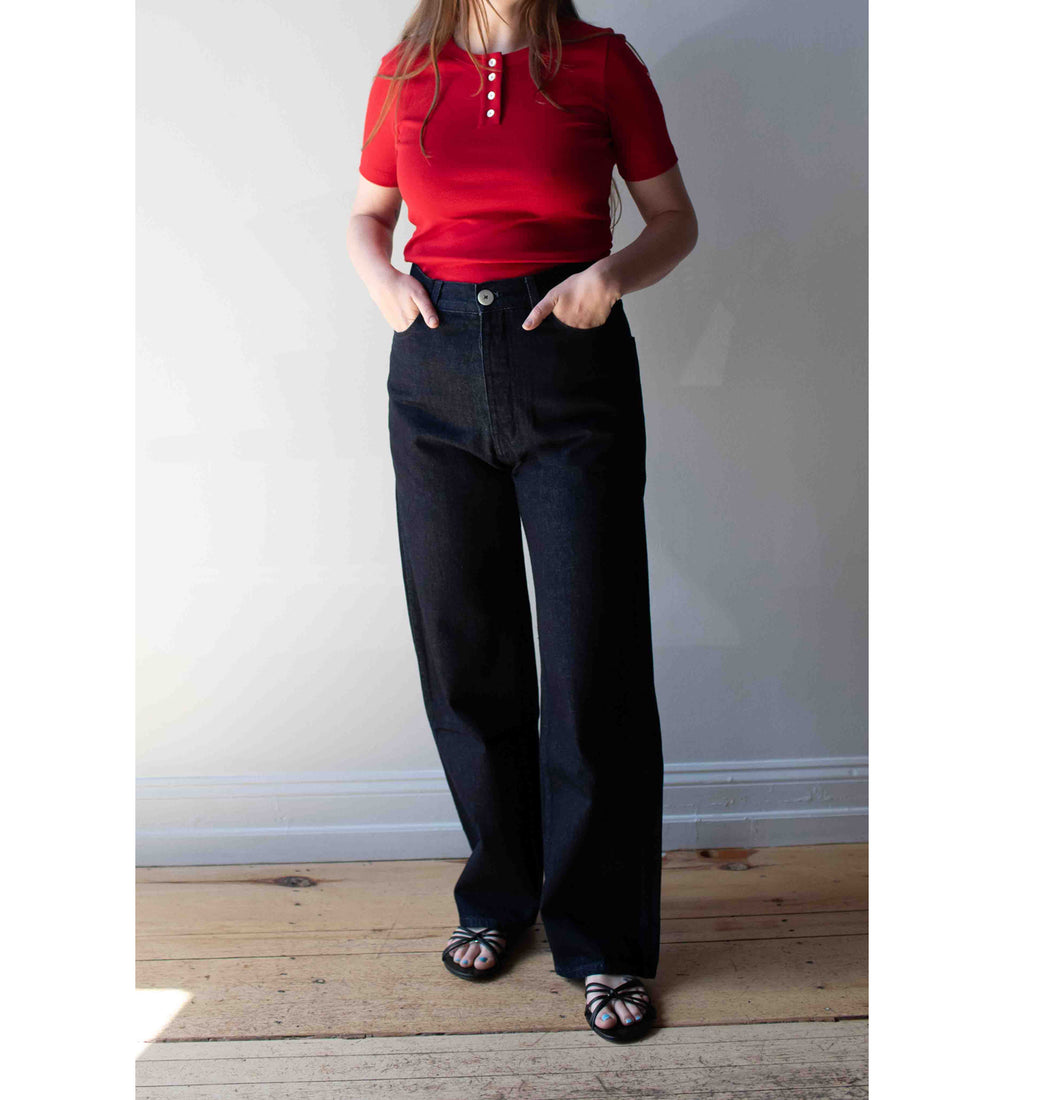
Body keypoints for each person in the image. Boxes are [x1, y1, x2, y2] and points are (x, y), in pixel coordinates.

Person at [347, 0, 697, 1043]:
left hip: (569, 361)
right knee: (466, 651)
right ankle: (501, 892)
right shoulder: (405, 70)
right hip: (434, 366)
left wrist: (611, 276)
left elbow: (673, 219)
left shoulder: (602, 65)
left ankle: (604, 939)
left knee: (592, 659)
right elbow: (368, 215)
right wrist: (380, 279)